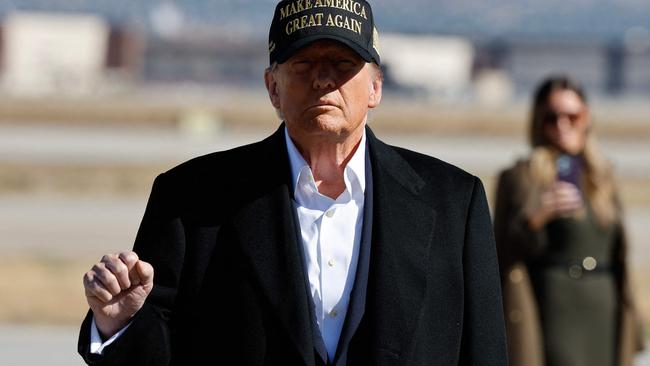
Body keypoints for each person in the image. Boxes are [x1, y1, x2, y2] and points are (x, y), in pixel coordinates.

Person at [78, 1, 507, 365]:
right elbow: (162, 350)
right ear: (273, 88)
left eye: (342, 64)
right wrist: (119, 323)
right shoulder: (191, 199)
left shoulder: (454, 202)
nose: (323, 80)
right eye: (303, 64)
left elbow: (483, 351)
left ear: (375, 87)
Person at [494, 75, 645, 366]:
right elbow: (499, 251)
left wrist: (633, 319)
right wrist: (535, 219)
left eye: (572, 116)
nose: (562, 125)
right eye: (552, 117)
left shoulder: (603, 176)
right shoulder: (522, 176)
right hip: (555, 308)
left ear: (586, 118)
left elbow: (620, 255)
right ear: (538, 122)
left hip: (605, 306)